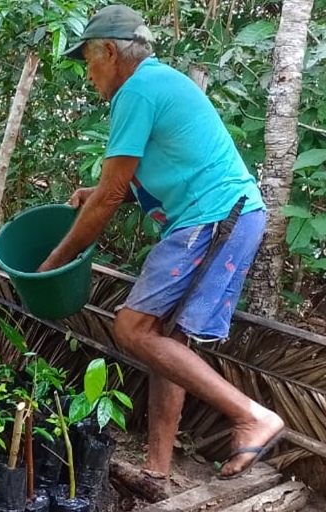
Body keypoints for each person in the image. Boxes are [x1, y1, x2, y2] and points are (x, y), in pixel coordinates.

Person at [38, 5, 284, 481]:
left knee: (131, 328)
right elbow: (127, 182)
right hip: (222, 214)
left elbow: (109, 197)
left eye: (88, 61)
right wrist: (99, 193)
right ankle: (158, 467)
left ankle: (253, 416)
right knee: (164, 337)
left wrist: (51, 263)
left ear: (110, 51)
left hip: (216, 216)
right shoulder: (155, 83)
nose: (88, 75)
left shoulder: (136, 91)